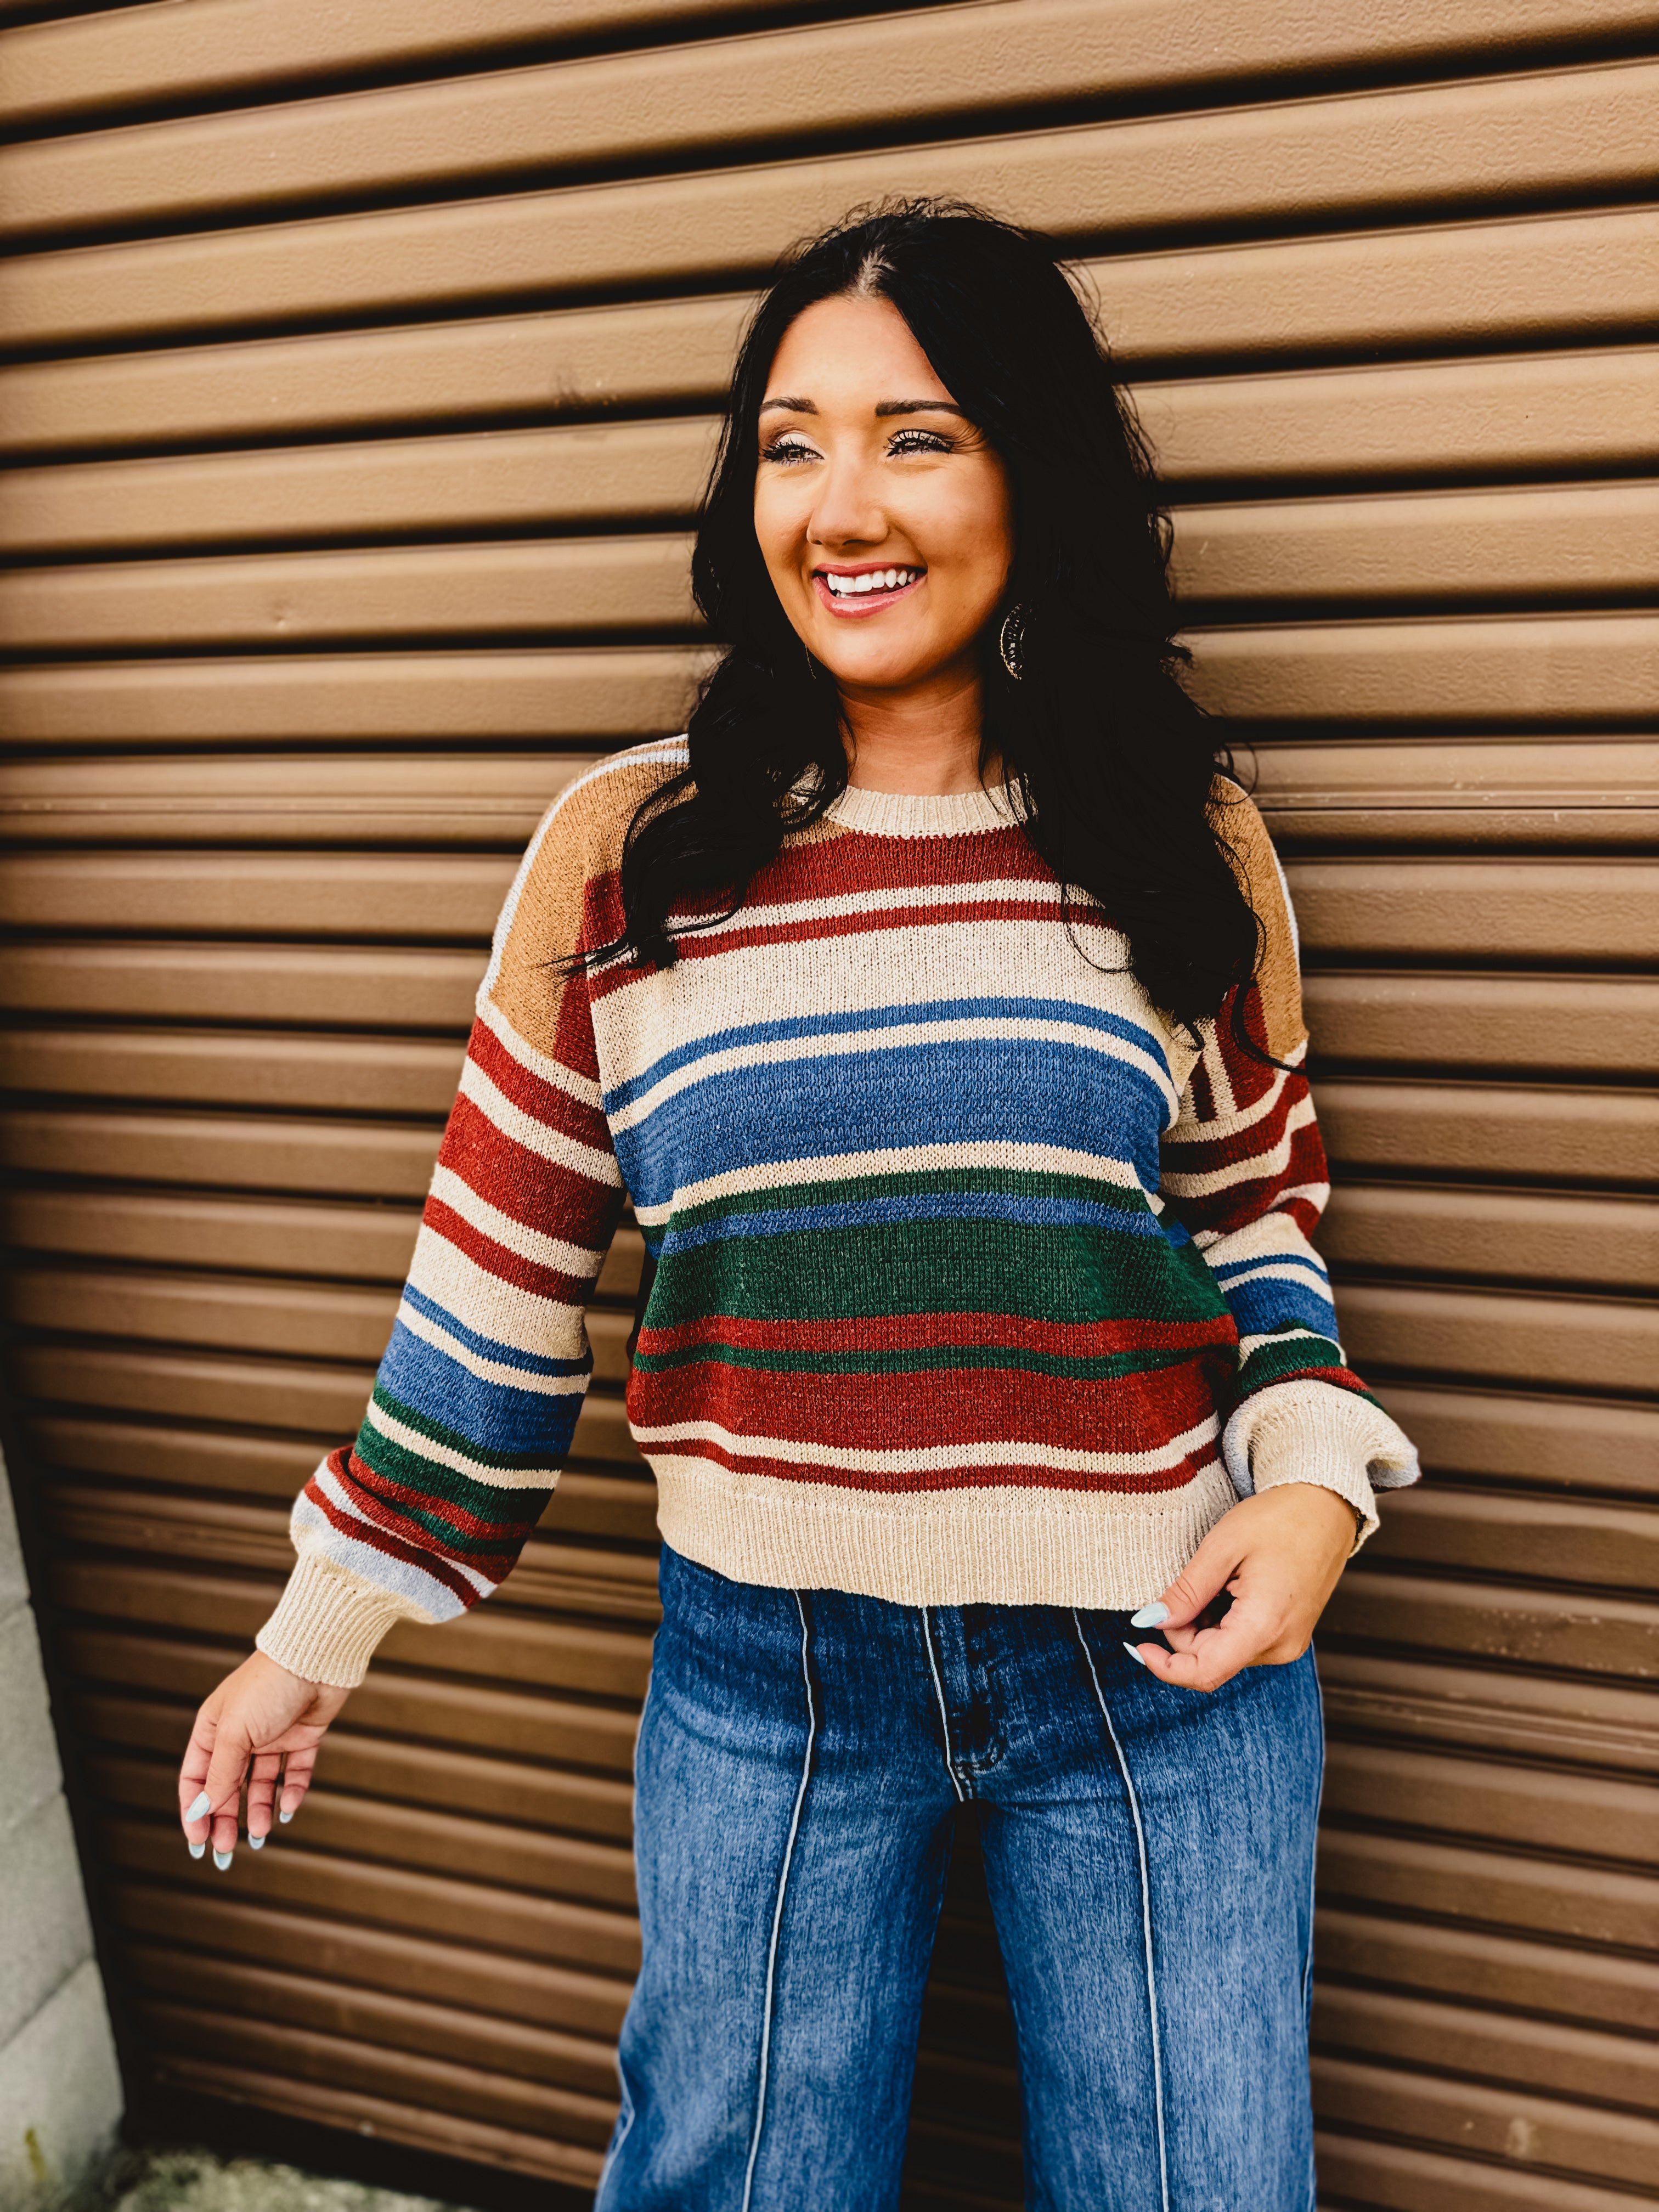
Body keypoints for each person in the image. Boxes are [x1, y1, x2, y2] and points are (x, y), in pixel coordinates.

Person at [177, 199, 1418, 2211]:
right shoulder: (627, 854)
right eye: (791, 440)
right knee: (726, 2181)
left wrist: (1316, 1486)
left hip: (1158, 1665)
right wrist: (320, 1633)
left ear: (1037, 471)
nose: (843, 503)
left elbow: (1260, 1228)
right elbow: (495, 1286)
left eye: (918, 435)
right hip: (771, 1676)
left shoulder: (1179, 840)